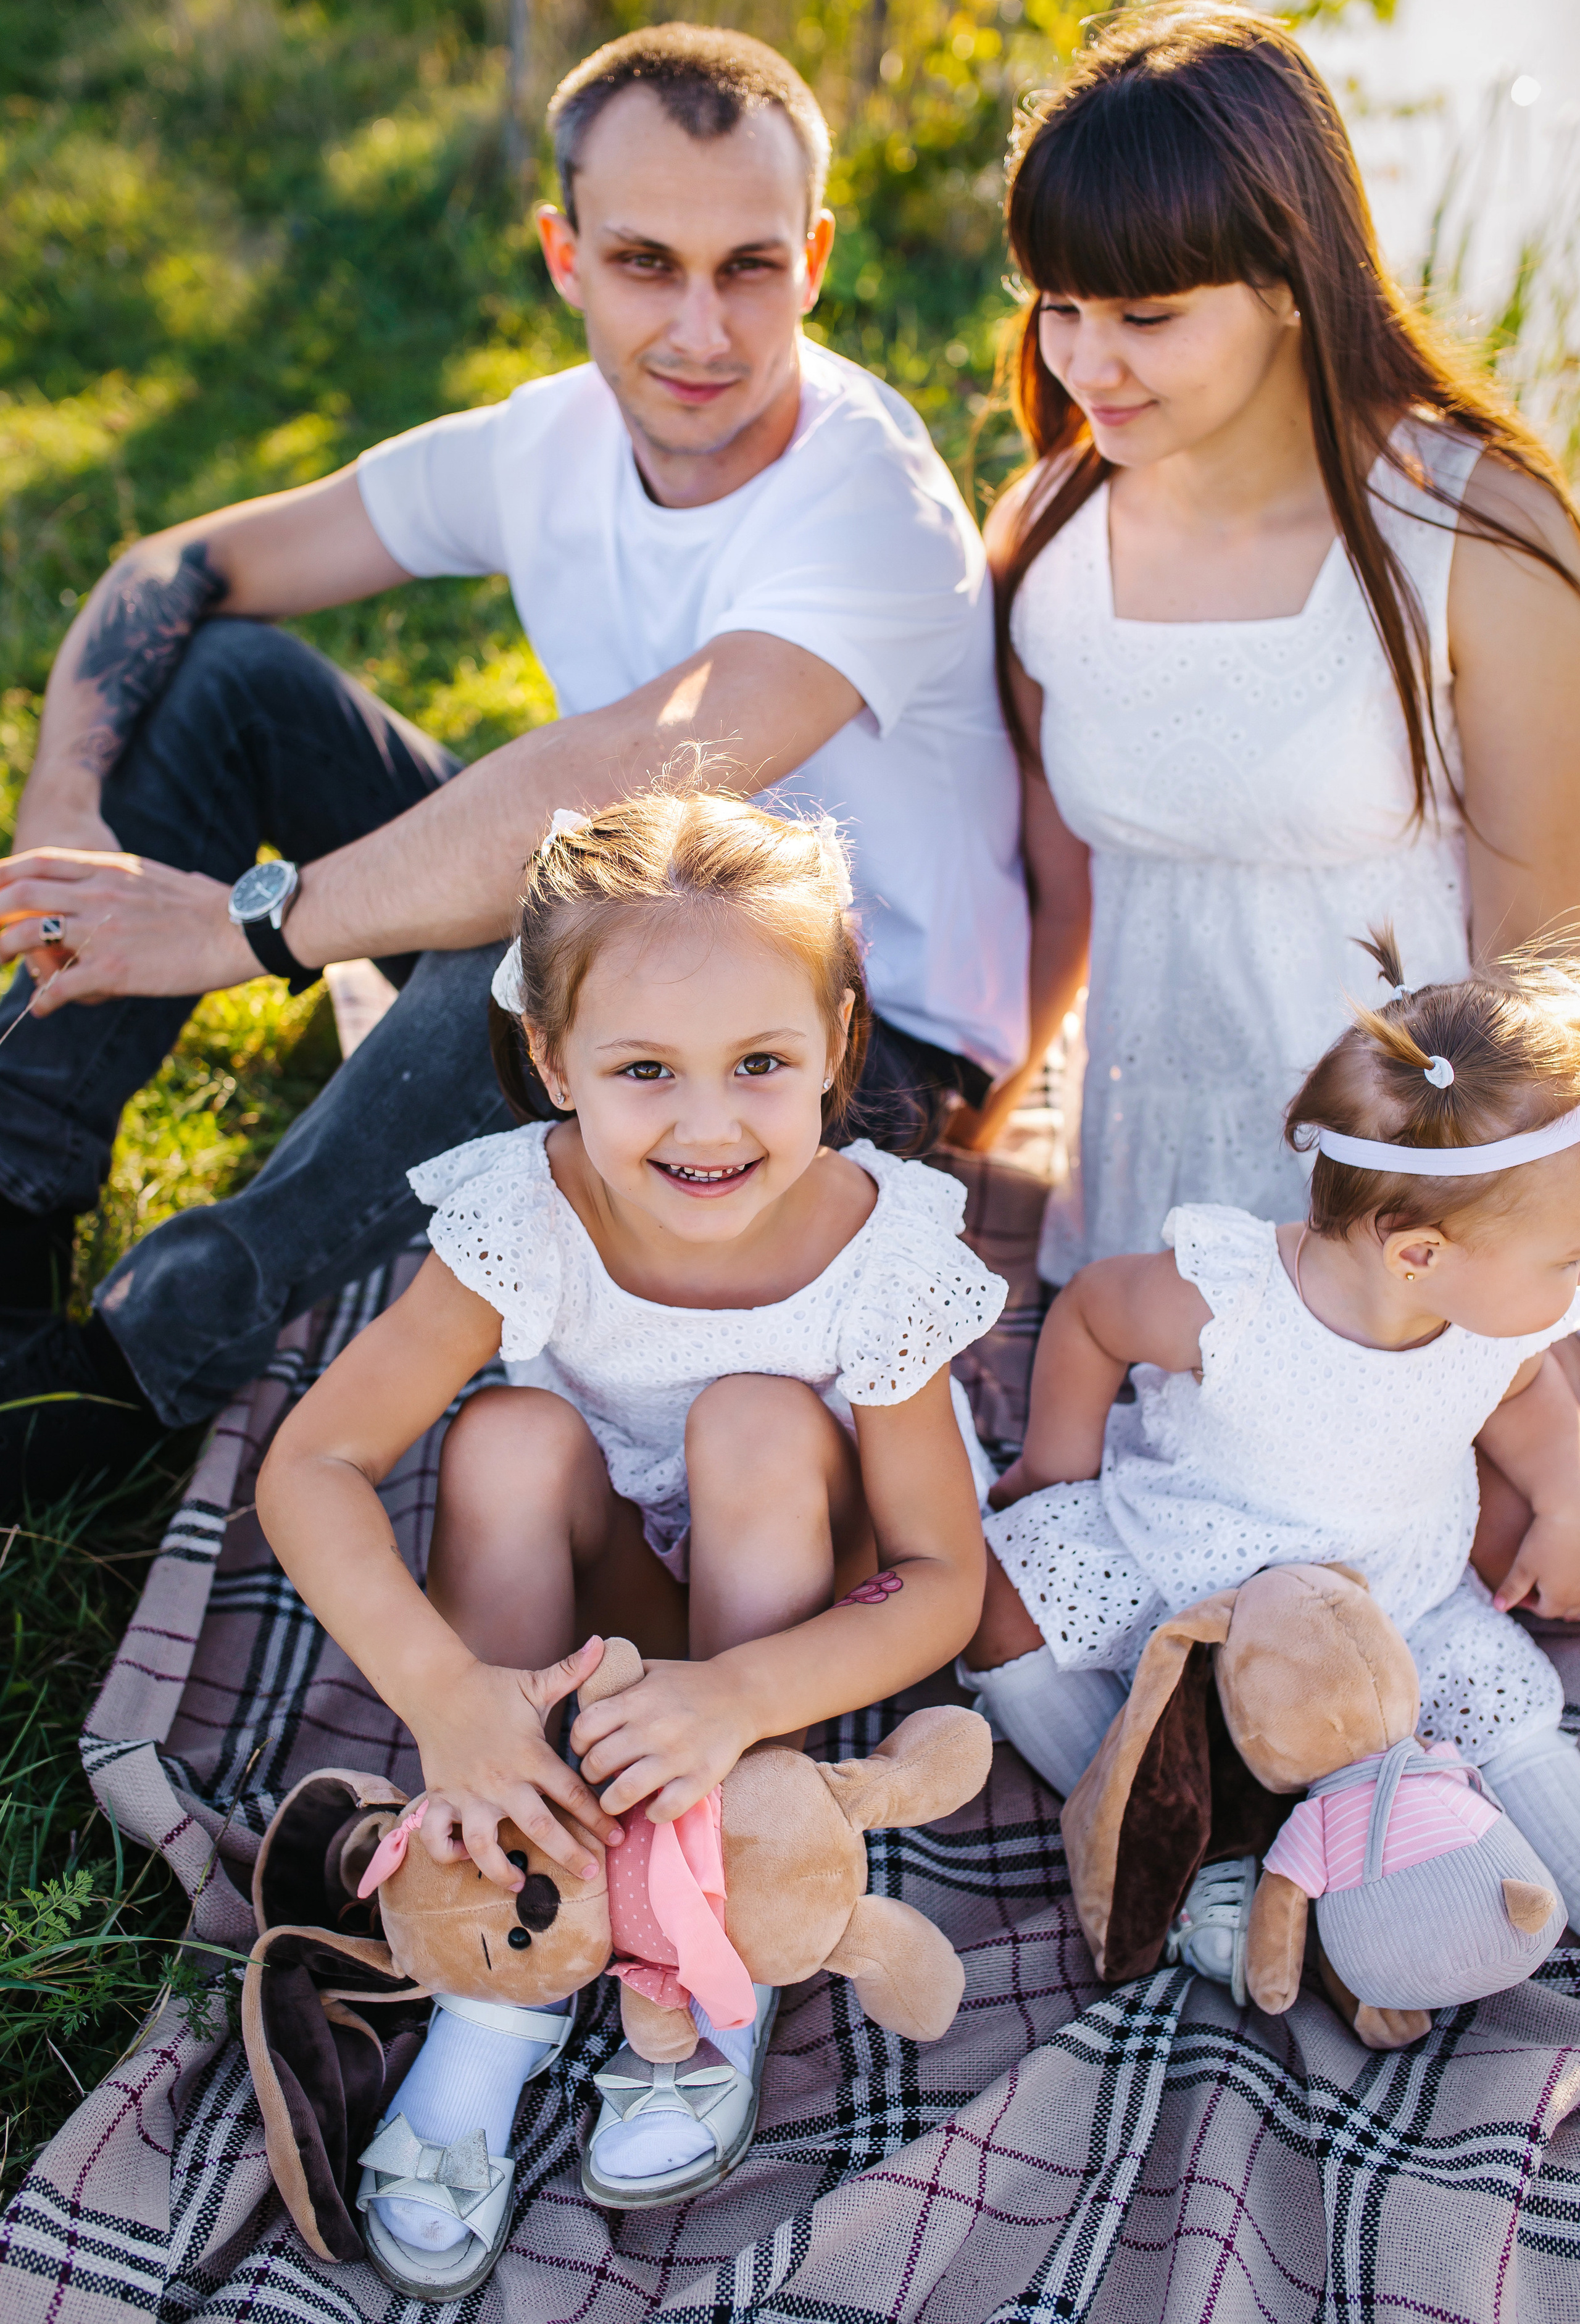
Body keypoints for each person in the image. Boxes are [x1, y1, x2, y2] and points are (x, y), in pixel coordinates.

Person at [0, 23, 1028, 1515]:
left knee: (529, 931)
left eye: (747, 266)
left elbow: (624, 777)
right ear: (564, 255)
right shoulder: (545, 440)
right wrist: (64, 807)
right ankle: (19, 1181)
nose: (699, 329)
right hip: (649, 915)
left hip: (860, 1042)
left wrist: (244, 929)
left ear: (812, 259)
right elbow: (183, 564)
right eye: (643, 263)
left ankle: (117, 1376)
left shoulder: (875, 502)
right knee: (228, 685)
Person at [253, 790, 1005, 2286]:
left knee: (752, 1417)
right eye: (644, 1069)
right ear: (552, 1059)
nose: (707, 1123)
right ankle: (503, 1953)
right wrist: (443, 1694)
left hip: (775, 1634)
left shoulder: (883, 1253)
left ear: (835, 1045)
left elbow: (939, 1578)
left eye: (759, 1064)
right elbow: (312, 1464)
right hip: (588, 1631)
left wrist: (738, 1693)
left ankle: (708, 1937)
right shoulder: (523, 1213)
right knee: (504, 1435)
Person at [987, 6, 1580, 1273]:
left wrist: (1500, 1292)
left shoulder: (1468, 531)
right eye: (1059, 305)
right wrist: (965, 1139)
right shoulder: (1046, 532)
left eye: (1146, 317)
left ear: (1289, 281)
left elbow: (1543, 958)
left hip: (1407, 1243)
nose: (1086, 361)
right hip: (1134, 1239)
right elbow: (1053, 908)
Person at [961, 931, 1580, 1988]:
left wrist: (1564, 1497)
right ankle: (1165, 1808)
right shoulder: (1236, 1301)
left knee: (1505, 1712)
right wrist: (1054, 1469)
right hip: (1191, 1569)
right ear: (1419, 1253)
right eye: (1569, 1255)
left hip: (1393, 1593)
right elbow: (1096, 1314)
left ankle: (1479, 1831)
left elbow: (1524, 1393)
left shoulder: (1490, 1321)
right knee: (1001, 1602)